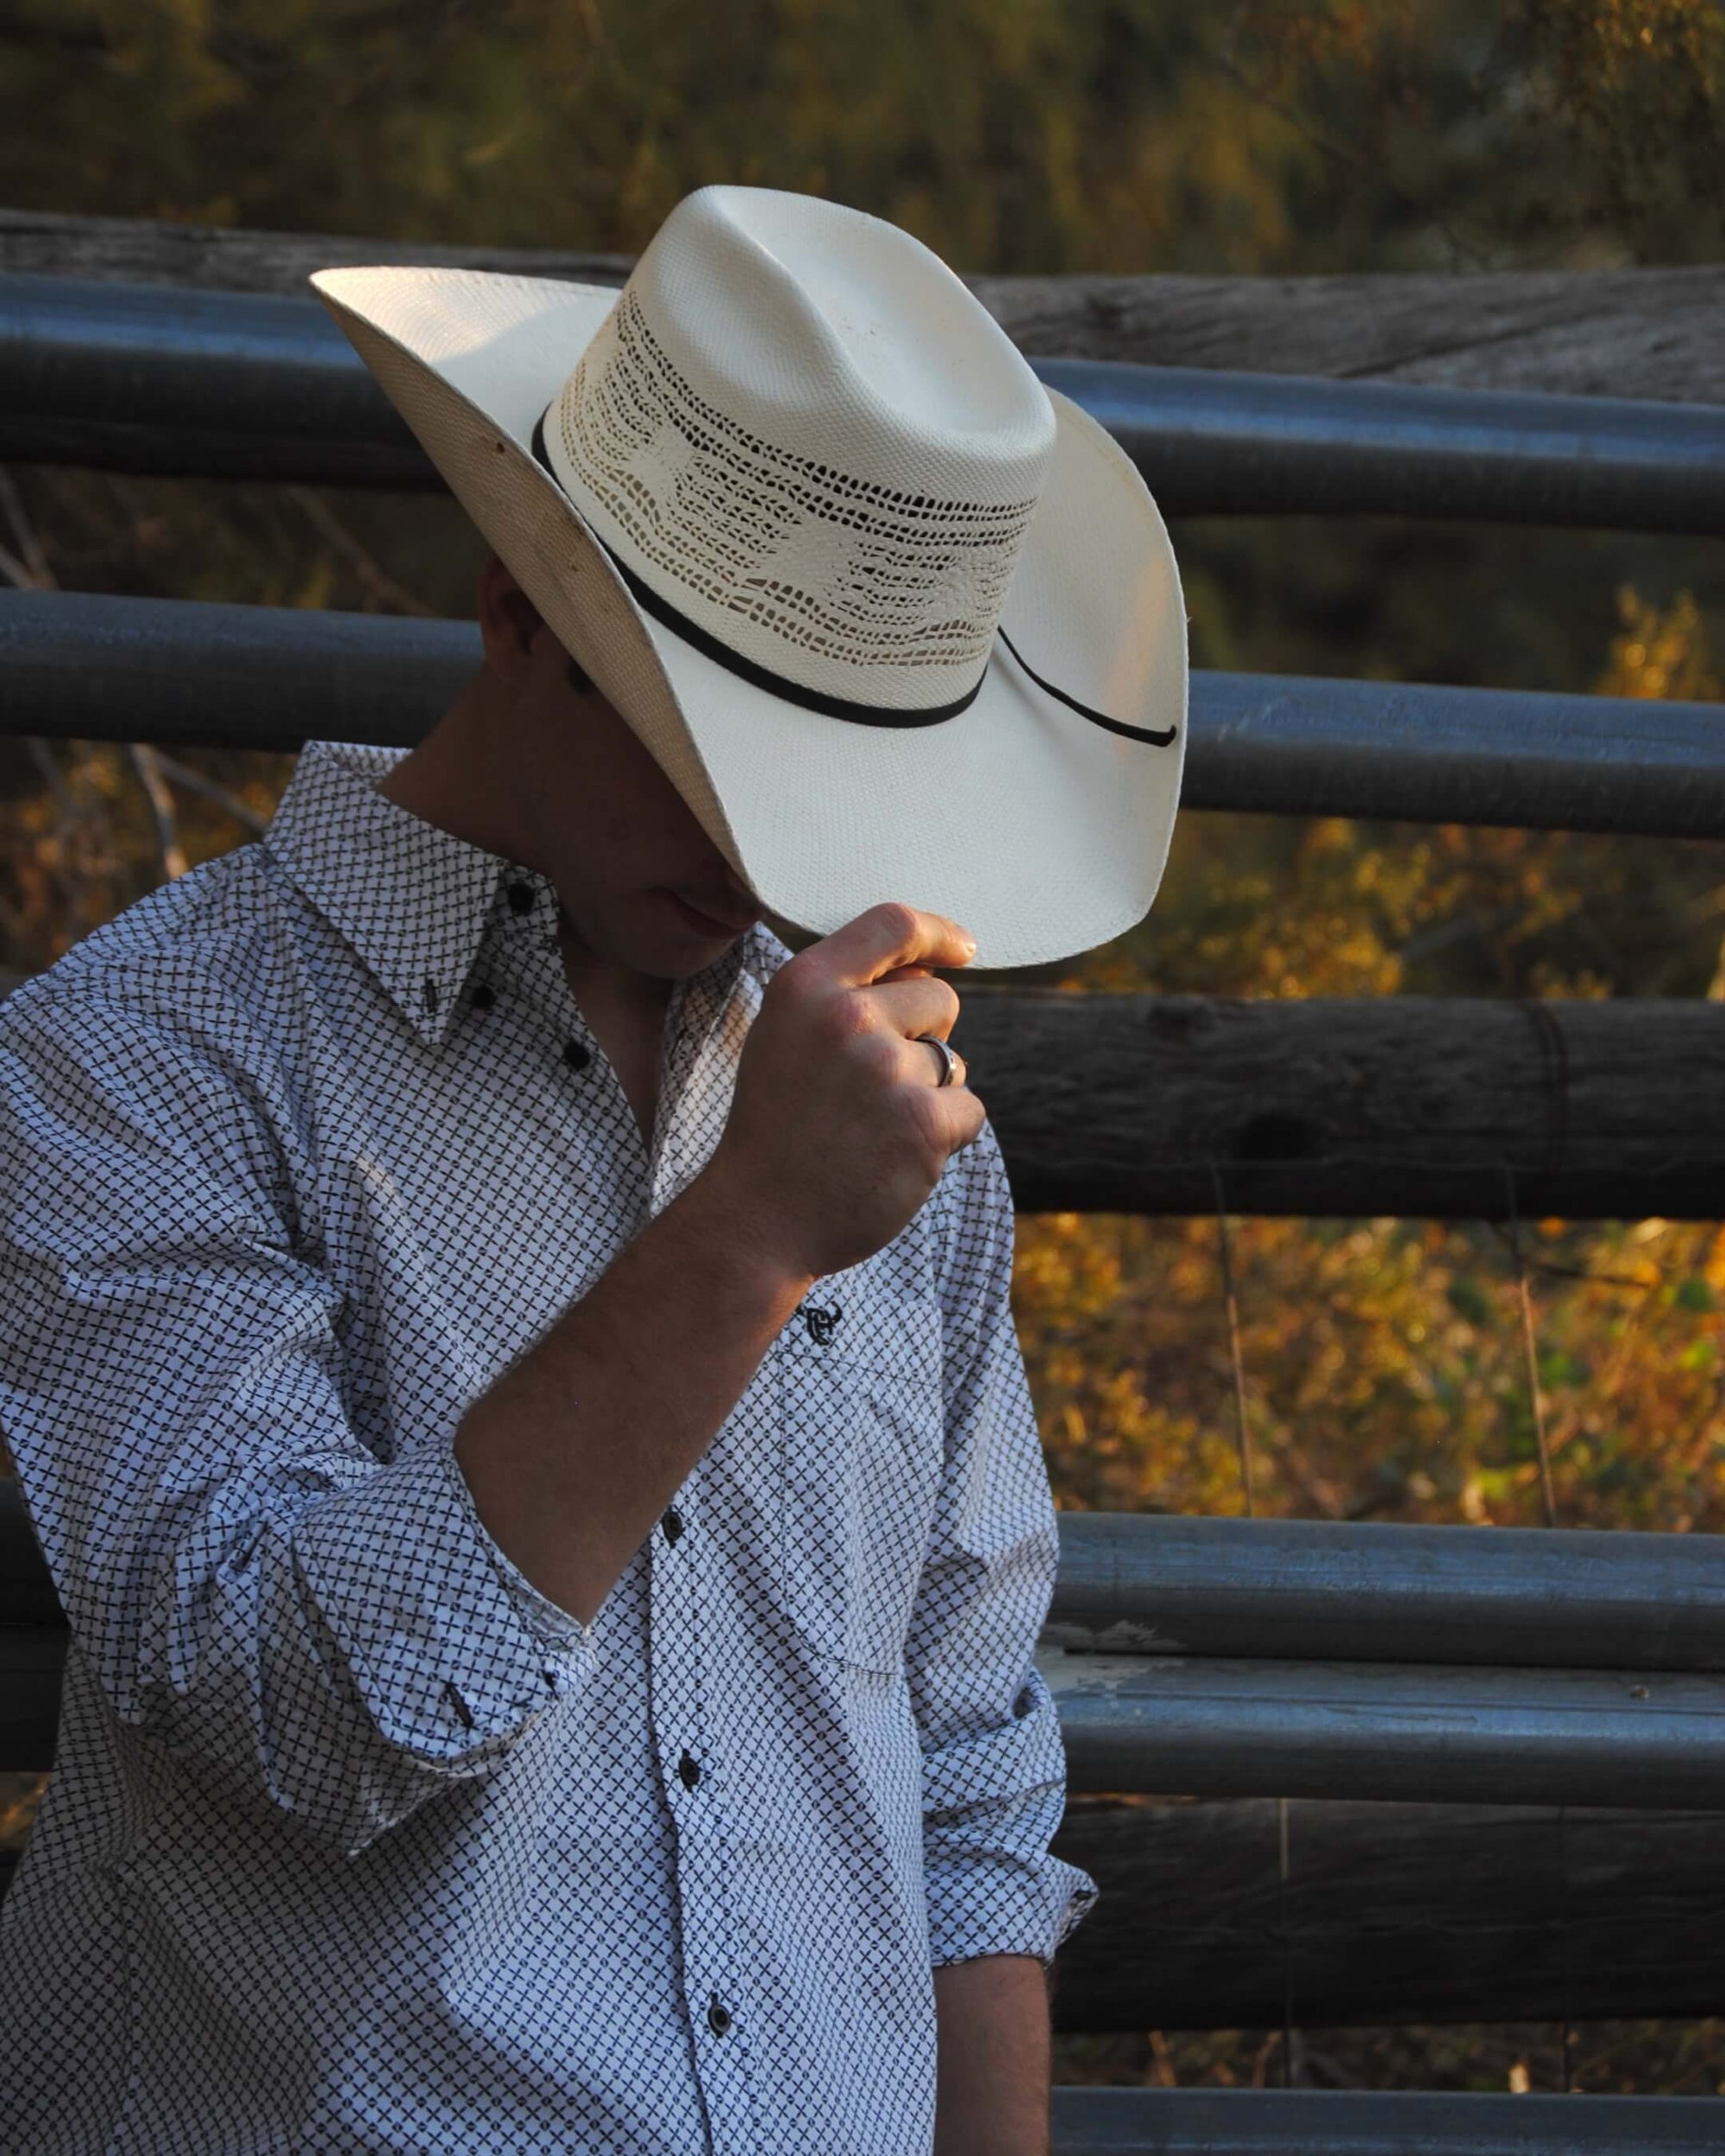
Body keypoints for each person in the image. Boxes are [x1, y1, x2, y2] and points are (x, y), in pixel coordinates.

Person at [0, 186, 1185, 2153]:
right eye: (704, 750)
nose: (768, 855)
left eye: (838, 781)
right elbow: (275, 1700)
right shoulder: (149, 1054)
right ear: (515, 609)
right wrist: (744, 1243)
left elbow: (967, 1774)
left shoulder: (899, 1127)